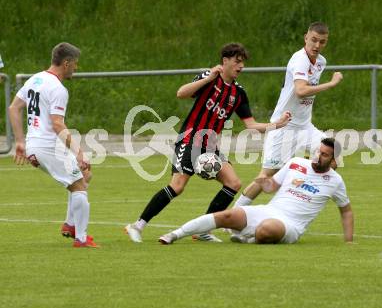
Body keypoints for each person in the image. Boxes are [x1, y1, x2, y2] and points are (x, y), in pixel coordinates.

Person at [125, 43, 291, 243]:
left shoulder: (239, 93)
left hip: (210, 147)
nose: (241, 67)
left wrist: (277, 125)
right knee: (177, 186)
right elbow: (181, 93)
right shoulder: (208, 78)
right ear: (225, 61)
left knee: (233, 183)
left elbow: (251, 125)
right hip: (189, 140)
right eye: (237, 62)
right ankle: (138, 225)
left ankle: (203, 230)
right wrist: (208, 78)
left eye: (243, 63)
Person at [159, 138, 354, 245]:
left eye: (324, 154)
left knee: (268, 229)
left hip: (290, 225)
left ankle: (248, 239)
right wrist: (263, 183)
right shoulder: (297, 163)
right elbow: (272, 187)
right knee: (227, 215)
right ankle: (174, 235)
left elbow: (346, 210)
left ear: (334, 161)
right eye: (318, 151)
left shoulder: (336, 181)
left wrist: (348, 241)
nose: (318, 156)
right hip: (268, 210)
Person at [233, 22, 344, 210]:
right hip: (283, 127)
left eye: (322, 42)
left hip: (305, 127)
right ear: (306, 38)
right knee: (265, 177)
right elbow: (301, 91)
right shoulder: (299, 59)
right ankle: (234, 214)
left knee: (333, 157)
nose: (317, 45)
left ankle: (301, 193)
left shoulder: (321, 62)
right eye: (314, 40)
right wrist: (331, 84)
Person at [8, 42, 98, 248]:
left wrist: (21, 141)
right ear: (66, 63)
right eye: (75, 64)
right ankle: (81, 239)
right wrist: (79, 152)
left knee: (84, 175)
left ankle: (70, 225)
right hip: (46, 146)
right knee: (79, 186)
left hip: (34, 145)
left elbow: (14, 108)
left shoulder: (35, 79)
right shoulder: (58, 88)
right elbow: (57, 124)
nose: (76, 68)